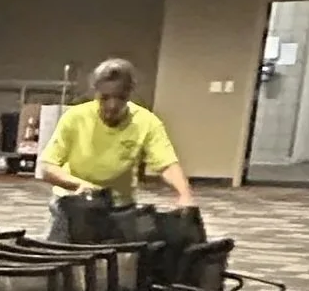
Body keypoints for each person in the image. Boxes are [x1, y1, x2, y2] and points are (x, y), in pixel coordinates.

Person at [40, 60, 196, 241]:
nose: (112, 106)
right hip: (72, 204)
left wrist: (184, 194)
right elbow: (48, 167)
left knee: (120, 262)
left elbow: (166, 164)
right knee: (62, 259)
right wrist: (79, 186)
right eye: (105, 97)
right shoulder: (74, 118)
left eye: (120, 98)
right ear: (95, 92)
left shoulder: (146, 122)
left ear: (129, 94)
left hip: (120, 206)